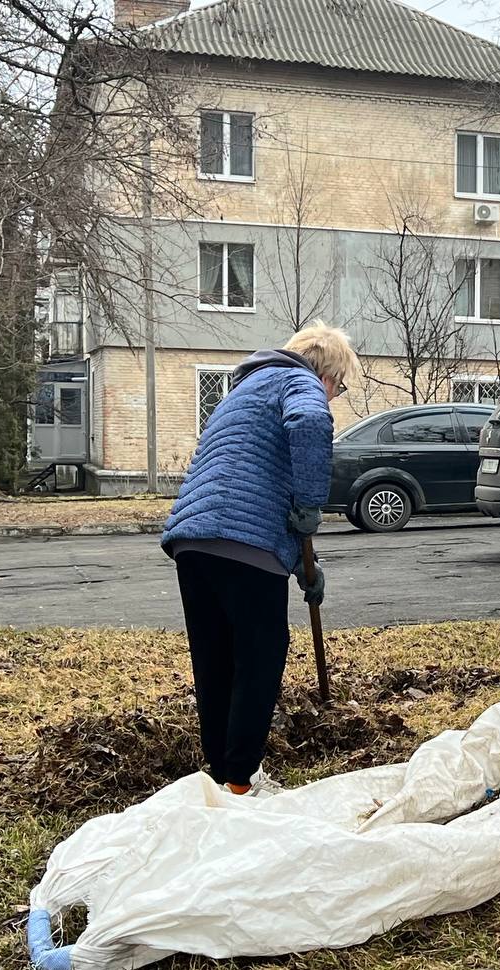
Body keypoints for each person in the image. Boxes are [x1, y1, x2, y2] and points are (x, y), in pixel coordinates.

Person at [161, 322, 358, 794]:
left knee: (216, 661)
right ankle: (243, 780)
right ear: (326, 372)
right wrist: (312, 504)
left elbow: (253, 481)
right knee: (260, 656)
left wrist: (298, 563)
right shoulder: (299, 382)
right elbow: (310, 424)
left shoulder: (241, 392)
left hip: (194, 541)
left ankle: (219, 776)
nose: (332, 396)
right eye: (339, 386)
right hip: (243, 543)